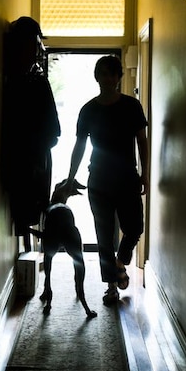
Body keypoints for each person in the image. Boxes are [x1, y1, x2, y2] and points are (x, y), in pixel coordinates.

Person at [63, 54, 149, 305]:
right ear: (97, 77)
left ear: (119, 77)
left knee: (135, 228)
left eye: (112, 73)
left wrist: (144, 173)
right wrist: (70, 178)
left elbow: (142, 142)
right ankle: (111, 285)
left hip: (127, 178)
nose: (107, 78)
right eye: (103, 73)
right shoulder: (88, 110)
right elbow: (79, 146)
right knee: (104, 234)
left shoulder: (132, 107)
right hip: (99, 180)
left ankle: (120, 262)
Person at [0, 16, 61, 251]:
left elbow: (53, 131)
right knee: (28, 209)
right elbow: (54, 131)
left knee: (30, 210)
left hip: (30, 162)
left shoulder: (32, 81)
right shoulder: (30, 82)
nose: (34, 50)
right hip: (29, 163)